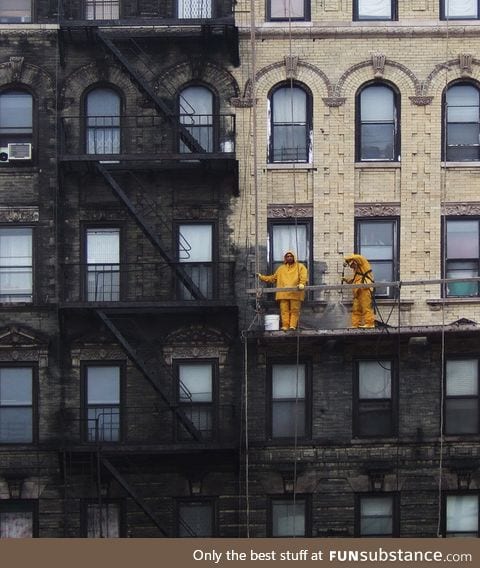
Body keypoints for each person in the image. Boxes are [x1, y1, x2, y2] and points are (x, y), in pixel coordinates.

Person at [257, 251, 308, 331]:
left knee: (294, 310)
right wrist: (261, 277)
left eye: (291, 256)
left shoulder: (300, 266)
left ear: (294, 257)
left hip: (295, 293)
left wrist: (302, 283)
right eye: (287, 256)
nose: (289, 258)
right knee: (284, 310)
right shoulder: (281, 268)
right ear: (285, 258)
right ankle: (285, 325)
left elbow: (303, 276)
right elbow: (273, 278)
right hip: (283, 294)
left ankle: (292, 326)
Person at [343, 254, 375, 329]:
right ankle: (355, 324)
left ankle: (369, 323)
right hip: (357, 290)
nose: (351, 267)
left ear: (354, 262)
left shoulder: (363, 263)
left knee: (365, 307)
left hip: (364, 288)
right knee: (356, 309)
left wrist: (346, 260)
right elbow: (354, 280)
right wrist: (346, 280)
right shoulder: (357, 272)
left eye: (351, 265)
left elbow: (357, 257)